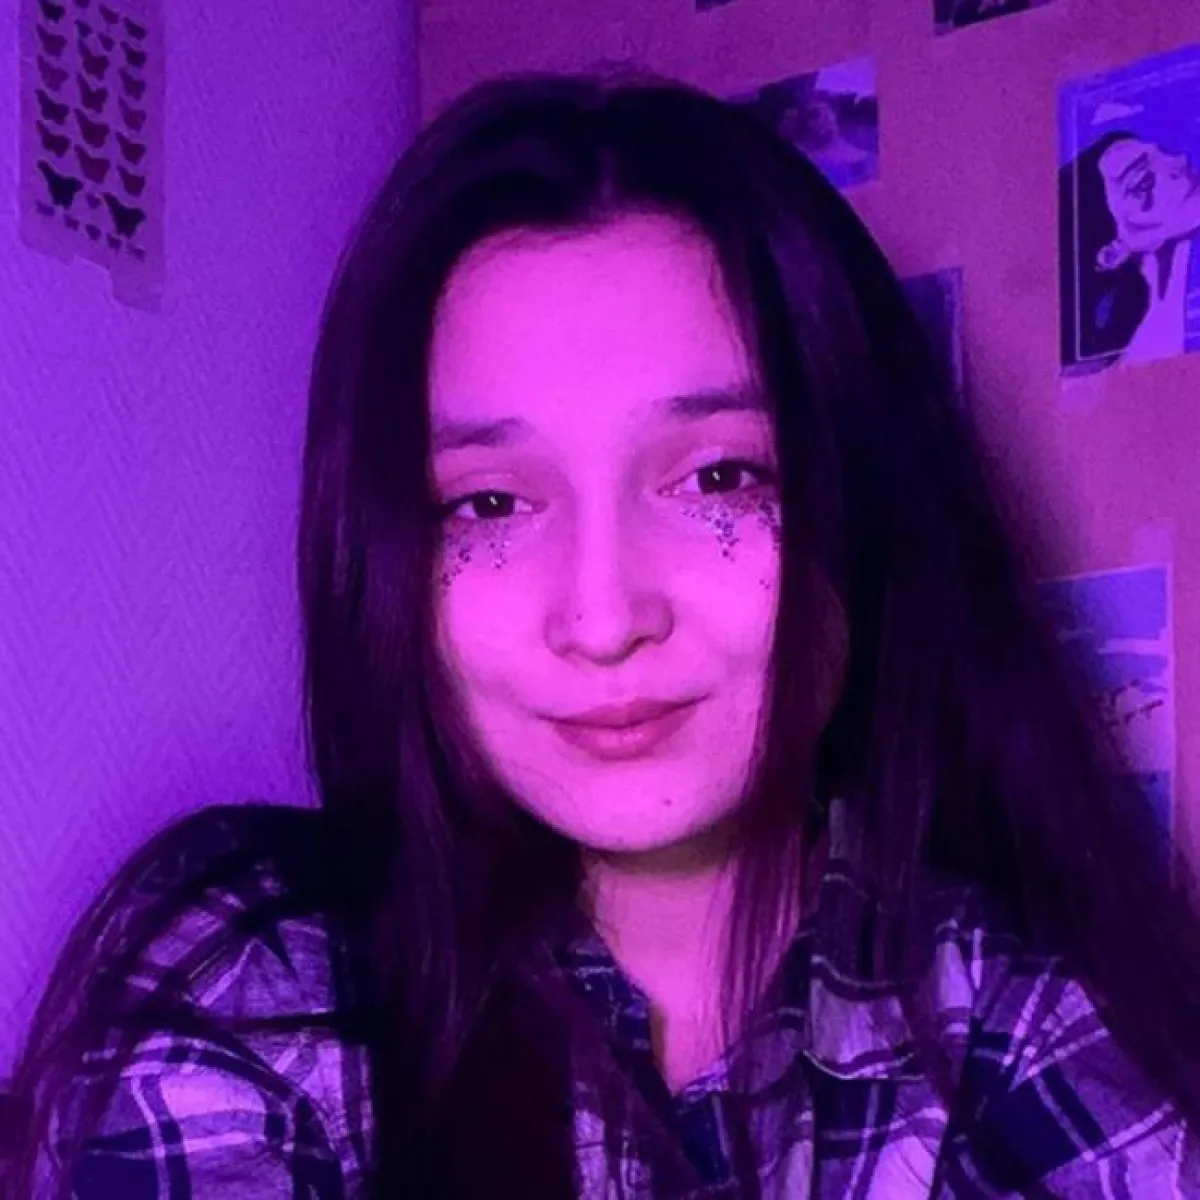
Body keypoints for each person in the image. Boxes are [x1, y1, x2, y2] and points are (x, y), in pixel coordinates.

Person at [5, 69, 1200, 1199]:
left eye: (722, 478)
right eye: (487, 504)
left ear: (863, 510)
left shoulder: (1007, 1017)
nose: (604, 618)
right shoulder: (268, 986)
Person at [1060, 129, 1200, 374]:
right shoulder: (1141, 361)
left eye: (1164, 154)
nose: (1179, 161)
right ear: (1112, 253)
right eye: (1144, 182)